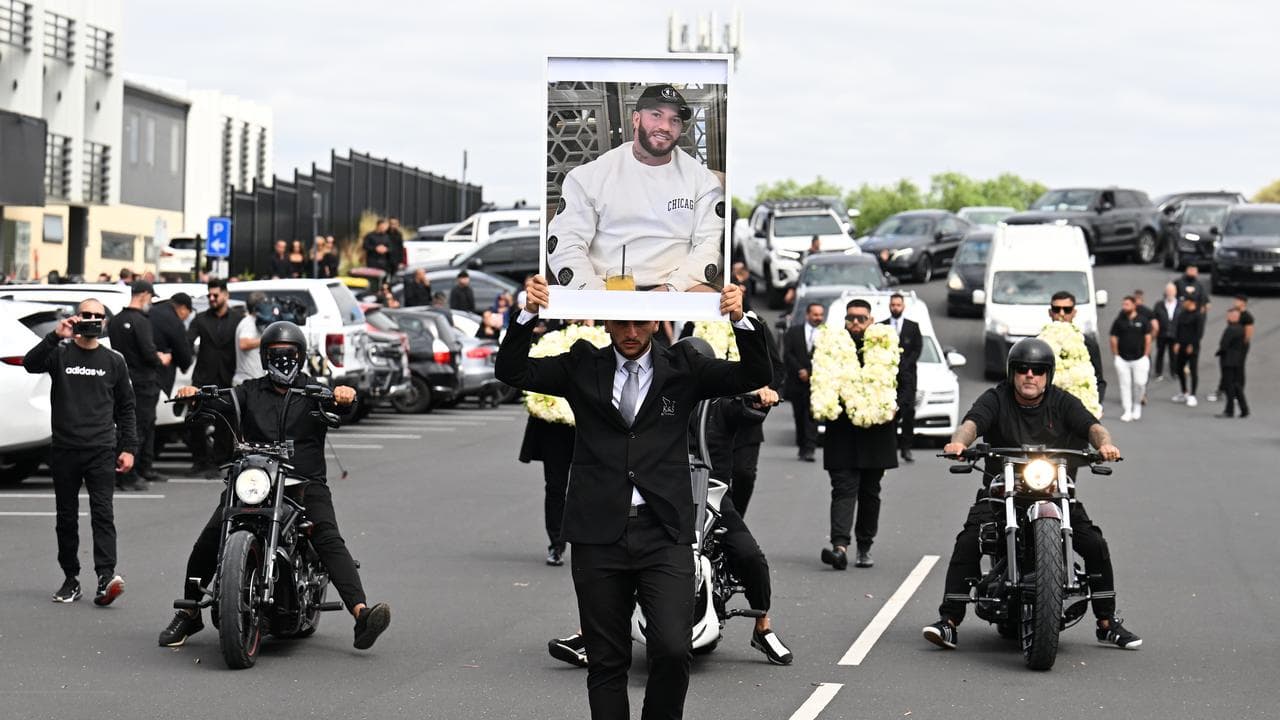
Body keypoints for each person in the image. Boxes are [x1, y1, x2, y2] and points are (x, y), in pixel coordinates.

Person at [495, 274, 770, 720]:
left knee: (672, 649)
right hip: (597, 533)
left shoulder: (684, 367)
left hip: (664, 532)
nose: (630, 333)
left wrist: (742, 319)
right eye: (621, 323)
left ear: (657, 322)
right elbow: (511, 371)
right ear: (605, 321)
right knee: (606, 660)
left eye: (641, 323)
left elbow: (755, 375)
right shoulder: (582, 364)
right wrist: (529, 312)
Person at [158, 321, 391, 650]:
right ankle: (190, 612)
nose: (283, 360)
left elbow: (345, 407)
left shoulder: (316, 392)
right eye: (276, 355)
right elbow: (218, 403)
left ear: (301, 356)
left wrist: (345, 397)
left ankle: (362, 615)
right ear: (266, 358)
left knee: (326, 536)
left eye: (289, 354)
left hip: (304, 484)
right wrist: (195, 397)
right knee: (209, 539)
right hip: (255, 479)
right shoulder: (249, 391)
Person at [549, 380, 794, 670]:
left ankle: (762, 627)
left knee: (749, 554)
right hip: (659, 494)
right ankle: (591, 635)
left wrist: (761, 398)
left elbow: (748, 410)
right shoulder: (658, 402)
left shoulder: (723, 404)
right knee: (622, 552)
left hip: (710, 494)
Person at [922, 338, 1141, 652]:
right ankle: (949, 621)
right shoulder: (996, 398)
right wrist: (958, 443)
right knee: (970, 539)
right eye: (1023, 369)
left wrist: (1104, 444)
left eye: (1038, 370)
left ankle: (1106, 623)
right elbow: (972, 424)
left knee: (1094, 542)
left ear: (1047, 375)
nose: (1030, 375)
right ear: (1012, 372)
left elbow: (1093, 426)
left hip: (1052, 492)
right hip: (1002, 491)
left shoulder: (1062, 401)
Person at [545, 84, 725, 292]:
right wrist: (596, 295)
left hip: (676, 288)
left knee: (715, 306)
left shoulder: (702, 180)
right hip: (607, 288)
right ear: (636, 119)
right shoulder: (589, 177)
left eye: (674, 120)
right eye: (656, 115)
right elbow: (565, 243)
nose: (665, 126)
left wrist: (671, 289)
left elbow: (711, 246)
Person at [23, 299, 136, 606]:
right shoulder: (59, 353)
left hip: (101, 448)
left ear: (104, 323)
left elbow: (126, 407)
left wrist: (128, 448)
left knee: (103, 515)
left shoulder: (114, 360)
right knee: (66, 518)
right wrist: (56, 335)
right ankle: (70, 579)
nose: (91, 320)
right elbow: (30, 363)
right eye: (86, 314)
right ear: (76, 317)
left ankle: (105, 578)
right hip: (64, 449)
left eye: (97, 316)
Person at [820, 299, 898, 570]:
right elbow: (821, 378)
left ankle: (865, 545)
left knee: (869, 492)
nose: (855, 323)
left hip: (876, 432)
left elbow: (904, 377)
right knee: (843, 488)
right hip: (842, 432)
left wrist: (897, 406)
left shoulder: (885, 345)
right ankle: (839, 546)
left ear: (871, 321)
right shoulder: (832, 346)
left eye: (861, 318)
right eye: (850, 318)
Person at [108, 280, 172, 492]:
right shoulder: (142, 321)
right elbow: (148, 353)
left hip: (123, 380)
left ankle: (141, 468)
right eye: (150, 298)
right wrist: (161, 358)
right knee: (140, 428)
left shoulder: (115, 320)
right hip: (143, 382)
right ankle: (130, 474)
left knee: (130, 426)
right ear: (143, 294)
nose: (151, 303)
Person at [186, 278, 244, 476]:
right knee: (196, 421)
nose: (211, 298)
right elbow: (187, 341)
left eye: (215, 295)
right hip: (203, 378)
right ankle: (200, 460)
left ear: (225, 295)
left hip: (227, 377)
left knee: (226, 423)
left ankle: (222, 460)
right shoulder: (201, 318)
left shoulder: (238, 319)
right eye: (209, 295)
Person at [520, 413, 576, 566]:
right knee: (555, 488)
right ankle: (557, 545)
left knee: (594, 487)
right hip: (554, 426)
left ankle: (600, 543)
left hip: (590, 425)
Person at [882, 292, 922, 462]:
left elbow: (917, 349)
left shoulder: (912, 327)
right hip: (887, 378)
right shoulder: (881, 326)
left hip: (908, 377)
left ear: (903, 306)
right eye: (893, 305)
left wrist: (904, 364)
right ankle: (889, 447)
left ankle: (906, 448)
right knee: (889, 413)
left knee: (908, 412)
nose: (895, 307)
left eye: (898, 305)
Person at [783, 303, 823, 462]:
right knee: (799, 416)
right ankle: (801, 445)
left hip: (816, 384)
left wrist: (810, 372)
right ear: (808, 315)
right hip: (797, 382)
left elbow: (827, 357)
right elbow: (787, 354)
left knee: (812, 416)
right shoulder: (793, 332)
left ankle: (810, 448)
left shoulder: (827, 334)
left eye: (820, 315)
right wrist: (800, 370)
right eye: (815, 314)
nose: (818, 318)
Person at [1049, 291, 1107, 403]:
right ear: (1050, 312)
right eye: (1057, 309)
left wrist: (1095, 406)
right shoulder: (1039, 343)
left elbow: (1098, 380)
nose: (1061, 314)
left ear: (1074, 312)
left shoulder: (1088, 344)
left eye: (1067, 310)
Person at [1109, 295, 1152, 422]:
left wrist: (1146, 354)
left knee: (1140, 383)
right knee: (1125, 384)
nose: (1124, 306)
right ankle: (1127, 410)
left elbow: (1148, 338)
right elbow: (1113, 337)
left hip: (1139, 358)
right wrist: (1116, 355)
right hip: (1123, 359)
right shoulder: (1119, 320)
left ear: (1134, 305)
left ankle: (1137, 405)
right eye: (1123, 304)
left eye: (1127, 304)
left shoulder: (1143, 320)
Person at [1208, 295, 1254, 403]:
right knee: (1226, 370)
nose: (1235, 302)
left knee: (1238, 370)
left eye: (1238, 300)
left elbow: (1248, 334)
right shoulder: (1234, 313)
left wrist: (1241, 348)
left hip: (1239, 348)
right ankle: (1222, 390)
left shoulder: (1247, 317)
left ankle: (1238, 394)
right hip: (1230, 347)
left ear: (1243, 303)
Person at [1214, 307, 1249, 418]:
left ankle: (1229, 410)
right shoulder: (1241, 329)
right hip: (1237, 360)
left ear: (1234, 317)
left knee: (1229, 386)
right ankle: (1244, 409)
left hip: (1228, 360)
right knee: (1236, 385)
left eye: (1229, 315)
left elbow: (1224, 344)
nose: (1227, 318)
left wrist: (1219, 352)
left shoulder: (1231, 329)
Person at [1172, 296, 1205, 407]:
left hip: (1192, 347)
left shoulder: (1198, 316)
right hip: (1181, 345)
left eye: (1185, 301)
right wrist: (1176, 342)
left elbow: (1199, 332)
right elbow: (1178, 329)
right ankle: (1184, 391)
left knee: (1193, 370)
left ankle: (1193, 395)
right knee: (1179, 368)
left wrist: (1192, 344)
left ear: (1191, 302)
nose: (1183, 303)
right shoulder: (1182, 314)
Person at [233, 292, 269, 386]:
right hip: (246, 380)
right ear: (257, 308)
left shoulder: (256, 322)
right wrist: (267, 339)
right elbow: (244, 343)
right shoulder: (249, 322)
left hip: (251, 379)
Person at [1152, 282, 1180, 382]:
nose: (1170, 293)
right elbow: (1154, 316)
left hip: (1175, 334)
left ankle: (1174, 372)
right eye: (1168, 291)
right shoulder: (1159, 304)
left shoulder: (1180, 305)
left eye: (1172, 291)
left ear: (1175, 292)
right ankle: (1158, 373)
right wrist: (1154, 323)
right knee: (1160, 353)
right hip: (1162, 334)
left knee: (1174, 354)